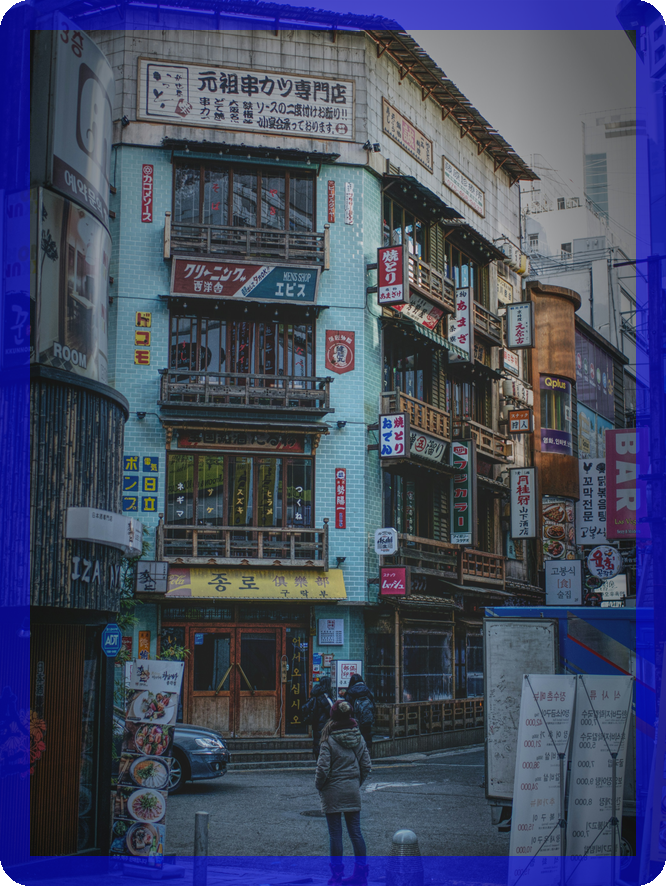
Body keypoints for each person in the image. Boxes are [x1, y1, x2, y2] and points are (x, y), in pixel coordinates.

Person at [315, 701, 372, 886]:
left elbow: (323, 769)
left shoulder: (328, 739)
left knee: (335, 835)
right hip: (352, 791)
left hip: (332, 792)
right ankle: (361, 875)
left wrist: (319, 786)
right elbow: (366, 765)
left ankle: (337, 876)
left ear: (333, 717)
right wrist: (355, 783)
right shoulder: (358, 737)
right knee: (356, 833)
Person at [301, 676, 334, 759]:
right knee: (323, 744)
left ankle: (319, 760)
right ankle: (321, 762)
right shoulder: (324, 697)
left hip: (317, 723)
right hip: (323, 724)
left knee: (317, 742)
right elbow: (331, 711)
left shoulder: (316, 694)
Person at [344, 673, 375, 755]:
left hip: (354, 720)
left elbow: (347, 707)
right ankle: (367, 753)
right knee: (366, 735)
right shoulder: (367, 691)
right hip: (366, 718)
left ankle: (357, 754)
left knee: (355, 736)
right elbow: (373, 705)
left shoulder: (350, 692)